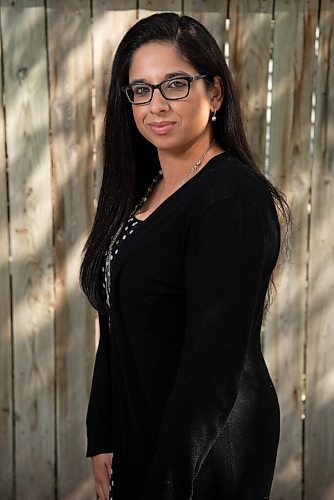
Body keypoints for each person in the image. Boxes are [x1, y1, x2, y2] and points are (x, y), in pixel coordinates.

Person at [80, 12, 290, 500]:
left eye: (175, 84)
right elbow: (116, 323)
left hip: (205, 457)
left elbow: (214, 369)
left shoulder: (230, 199)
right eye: (141, 89)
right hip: (143, 437)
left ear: (214, 93)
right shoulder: (145, 192)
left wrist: (167, 481)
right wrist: (104, 433)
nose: (157, 105)